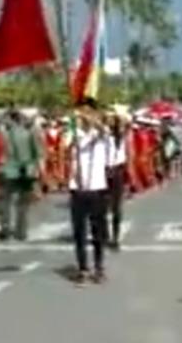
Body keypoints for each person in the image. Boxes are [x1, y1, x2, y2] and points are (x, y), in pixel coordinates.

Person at [68, 110, 110, 286]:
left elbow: (103, 131)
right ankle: (83, 268)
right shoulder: (73, 134)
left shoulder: (101, 135)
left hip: (97, 189)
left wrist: (94, 121)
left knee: (97, 231)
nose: (85, 119)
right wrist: (78, 123)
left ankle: (99, 267)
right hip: (77, 189)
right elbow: (69, 145)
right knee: (79, 233)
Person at [0, 110, 41, 242]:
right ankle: (21, 231)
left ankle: (5, 227)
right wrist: (36, 171)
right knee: (22, 203)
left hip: (8, 170)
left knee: (5, 201)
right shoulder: (30, 133)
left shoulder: (3, 134)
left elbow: (1, 152)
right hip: (26, 170)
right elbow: (37, 153)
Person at [106, 113, 129, 251]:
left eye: (112, 122)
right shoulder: (103, 137)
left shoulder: (122, 138)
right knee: (102, 206)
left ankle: (115, 237)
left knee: (116, 207)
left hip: (117, 172)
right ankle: (105, 234)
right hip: (104, 171)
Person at [40, 117, 68, 194]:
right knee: (52, 169)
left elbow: (60, 143)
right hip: (51, 152)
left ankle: (57, 184)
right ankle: (51, 184)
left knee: (54, 168)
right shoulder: (48, 133)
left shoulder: (57, 133)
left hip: (54, 152)